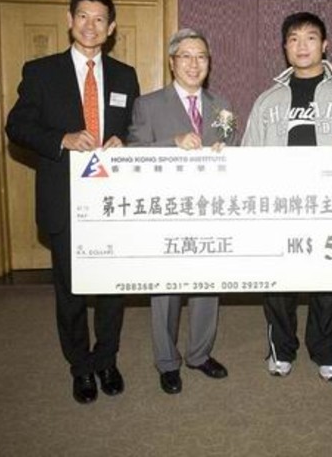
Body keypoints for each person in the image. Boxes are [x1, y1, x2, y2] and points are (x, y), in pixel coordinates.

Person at [5, 0, 140, 404]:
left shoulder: (124, 75)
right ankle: (80, 367)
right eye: (83, 16)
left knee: (112, 289)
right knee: (72, 289)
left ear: (111, 28)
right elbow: (17, 127)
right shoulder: (41, 72)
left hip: (110, 202)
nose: (90, 25)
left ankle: (106, 359)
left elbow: (136, 129)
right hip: (64, 200)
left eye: (100, 19)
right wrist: (61, 138)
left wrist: (126, 143)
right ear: (70, 20)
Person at [241, 11, 332, 382]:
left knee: (330, 281)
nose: (302, 45)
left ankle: (327, 351)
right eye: (293, 38)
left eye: (310, 38)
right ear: (284, 47)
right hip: (280, 205)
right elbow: (248, 153)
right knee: (277, 282)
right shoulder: (268, 99)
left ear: (325, 45)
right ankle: (281, 349)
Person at [127, 28, 232, 394]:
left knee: (207, 286)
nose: (193, 63)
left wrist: (227, 155)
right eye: (185, 56)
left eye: (201, 56)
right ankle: (167, 361)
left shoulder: (222, 107)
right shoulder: (149, 104)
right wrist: (170, 144)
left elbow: (237, 158)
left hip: (209, 212)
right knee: (166, 291)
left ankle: (200, 354)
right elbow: (131, 153)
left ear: (209, 62)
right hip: (165, 213)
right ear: (172, 62)